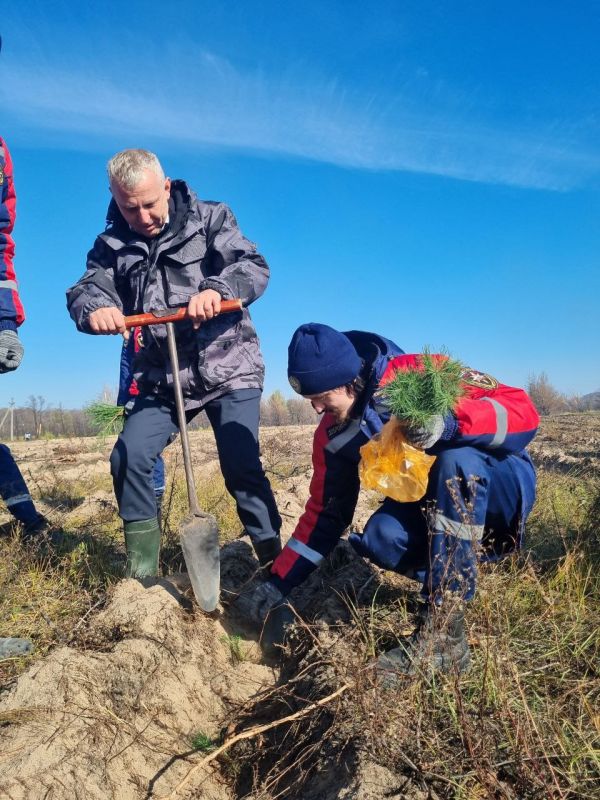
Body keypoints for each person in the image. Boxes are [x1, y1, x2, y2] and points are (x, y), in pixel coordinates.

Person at [238, 323, 539, 678]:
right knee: (381, 536)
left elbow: (521, 410)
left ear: (346, 381)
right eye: (310, 400)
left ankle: (444, 635)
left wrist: (450, 424)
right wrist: (278, 582)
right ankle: (448, 577)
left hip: (501, 486)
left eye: (320, 397)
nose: (317, 409)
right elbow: (324, 515)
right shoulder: (333, 435)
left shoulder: (420, 373)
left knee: (458, 461)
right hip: (434, 506)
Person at [67, 149, 281, 578]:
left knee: (240, 463)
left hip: (227, 366)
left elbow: (252, 266)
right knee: (128, 458)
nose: (143, 216)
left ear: (166, 187)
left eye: (150, 204)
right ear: (114, 198)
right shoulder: (110, 245)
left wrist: (216, 289)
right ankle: (143, 577)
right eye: (131, 208)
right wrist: (98, 307)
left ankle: (276, 563)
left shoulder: (211, 218)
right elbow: (87, 288)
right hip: (162, 379)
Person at [117, 328, 166, 517]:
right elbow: (126, 366)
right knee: (129, 454)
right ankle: (145, 513)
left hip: (159, 396)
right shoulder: (132, 327)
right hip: (135, 398)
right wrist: (123, 401)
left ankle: (156, 499)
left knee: (149, 453)